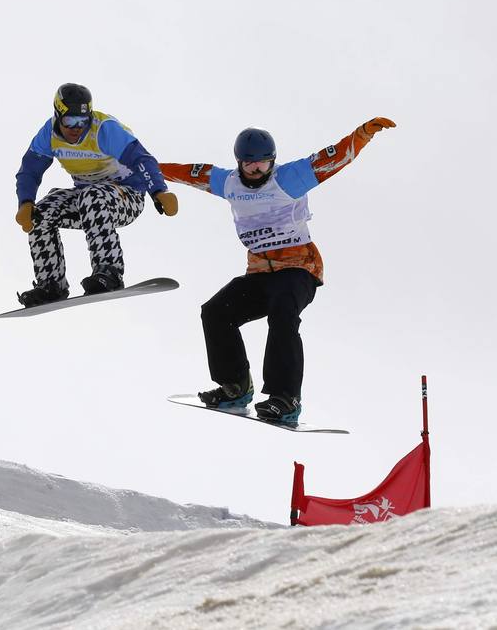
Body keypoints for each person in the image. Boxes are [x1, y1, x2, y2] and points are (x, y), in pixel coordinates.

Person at [159, 117, 396, 423]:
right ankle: (236, 387)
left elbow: (336, 157)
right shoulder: (226, 182)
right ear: (239, 163)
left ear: (273, 161)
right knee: (216, 311)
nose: (257, 170)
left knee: (283, 313)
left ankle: (286, 398)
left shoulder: (290, 178)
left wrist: (363, 134)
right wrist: (144, 171)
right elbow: (182, 171)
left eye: (263, 163)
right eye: (250, 164)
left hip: (299, 268)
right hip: (259, 274)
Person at [14, 83, 178, 306]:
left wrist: (159, 191)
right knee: (41, 213)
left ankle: (109, 271)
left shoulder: (104, 129)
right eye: (70, 121)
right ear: (58, 116)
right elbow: (30, 169)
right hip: (87, 200)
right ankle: (51, 284)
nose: (77, 128)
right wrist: (25, 203)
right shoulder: (49, 134)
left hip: (126, 197)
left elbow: (142, 159)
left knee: (92, 196)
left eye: (82, 121)